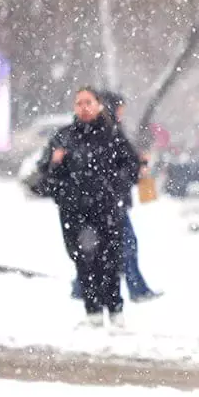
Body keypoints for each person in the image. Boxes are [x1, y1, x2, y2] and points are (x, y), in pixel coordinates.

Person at [42, 87, 141, 326]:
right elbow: (46, 175)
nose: (84, 107)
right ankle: (92, 310)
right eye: (79, 103)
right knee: (84, 259)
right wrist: (56, 168)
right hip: (74, 210)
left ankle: (115, 308)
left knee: (111, 258)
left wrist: (115, 185)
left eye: (88, 102)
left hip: (107, 208)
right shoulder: (64, 137)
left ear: (98, 105)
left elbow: (132, 166)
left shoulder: (112, 135)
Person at [70, 91, 161, 303]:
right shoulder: (109, 133)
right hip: (110, 202)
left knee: (99, 246)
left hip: (107, 201)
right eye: (121, 108)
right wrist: (137, 167)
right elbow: (115, 169)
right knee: (124, 245)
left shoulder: (108, 132)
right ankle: (135, 289)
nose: (123, 112)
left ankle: (82, 286)